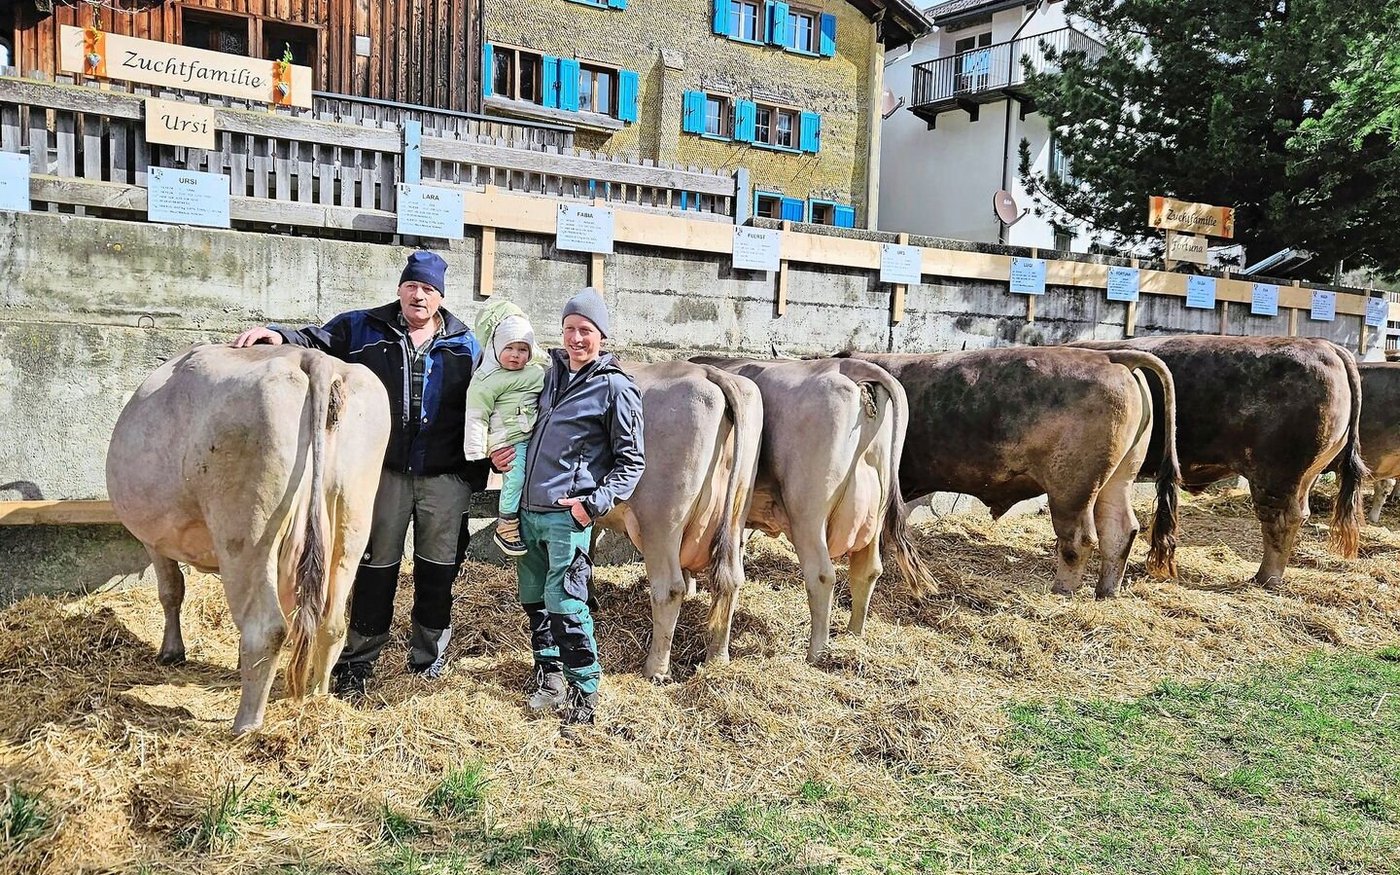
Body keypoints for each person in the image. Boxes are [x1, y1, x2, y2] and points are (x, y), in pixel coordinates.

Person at [231, 251, 484, 696]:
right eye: (411, 286)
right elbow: (317, 341)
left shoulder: (465, 345)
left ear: (441, 297)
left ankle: (428, 657)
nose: (417, 296)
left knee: (437, 570)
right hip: (381, 475)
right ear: (400, 289)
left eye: (427, 289)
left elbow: (486, 407)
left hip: (444, 478)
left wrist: (475, 475)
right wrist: (277, 334)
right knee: (373, 565)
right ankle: (359, 658)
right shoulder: (363, 327)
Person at [491, 287, 645, 725]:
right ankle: (549, 675)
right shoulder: (546, 374)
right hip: (529, 511)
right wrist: (499, 453)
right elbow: (516, 420)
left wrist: (591, 505)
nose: (576, 339)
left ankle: (584, 690)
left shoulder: (615, 388)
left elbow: (632, 461)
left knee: (567, 601)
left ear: (602, 335)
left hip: (566, 516)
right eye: (569, 329)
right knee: (535, 598)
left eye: (586, 331)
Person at [462, 300, 546, 557]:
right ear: (496, 348)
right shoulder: (487, 379)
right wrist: (478, 450)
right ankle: (506, 523)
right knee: (516, 476)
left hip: (528, 434)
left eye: (522, 349)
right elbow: (476, 414)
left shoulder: (536, 370)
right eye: (509, 348)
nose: (515, 355)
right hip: (507, 439)